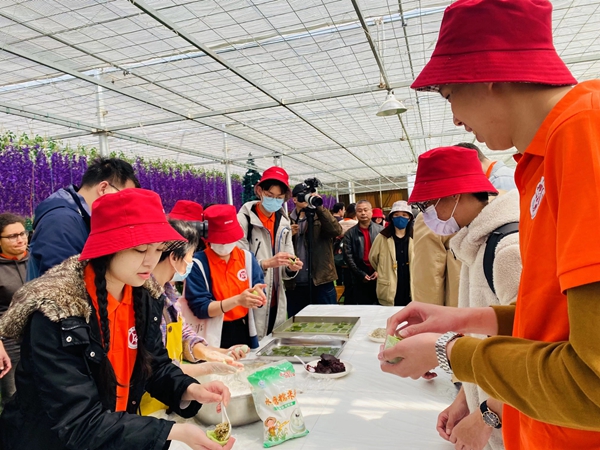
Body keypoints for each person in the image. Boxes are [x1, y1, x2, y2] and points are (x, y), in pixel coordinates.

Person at [380, 0, 600, 449]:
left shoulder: (584, 136)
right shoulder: (540, 162)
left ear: (487, 75)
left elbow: (592, 383)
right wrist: (467, 318)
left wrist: (449, 352)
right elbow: (556, 321)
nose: (456, 118)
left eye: (449, 95)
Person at [0, 189, 233, 450]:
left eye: (158, 249)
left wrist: (189, 389)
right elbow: (78, 421)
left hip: (112, 436)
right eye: (140, 249)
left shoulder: (143, 296)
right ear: (107, 247)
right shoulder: (58, 314)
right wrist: (173, 431)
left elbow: (154, 365)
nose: (151, 261)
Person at [410, 146, 521, 450]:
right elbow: (482, 338)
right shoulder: (473, 245)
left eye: (428, 205)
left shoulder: (507, 250)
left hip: (515, 429)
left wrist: (487, 416)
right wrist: (465, 398)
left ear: (455, 195)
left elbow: (531, 350)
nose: (426, 215)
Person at [140, 218, 247, 416]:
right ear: (174, 257)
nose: (191, 263)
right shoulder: (144, 300)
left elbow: (183, 334)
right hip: (147, 404)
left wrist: (211, 353)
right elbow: (156, 368)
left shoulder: (168, 292)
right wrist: (208, 368)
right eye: (190, 257)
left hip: (170, 399)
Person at [27, 157, 140, 280]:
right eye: (126, 199)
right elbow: (62, 284)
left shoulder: (80, 217)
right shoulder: (62, 221)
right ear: (103, 188)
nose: (125, 208)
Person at [184, 205, 268, 349]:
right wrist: (238, 300)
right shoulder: (197, 264)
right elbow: (201, 308)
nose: (223, 244)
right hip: (212, 331)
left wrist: (257, 297)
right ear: (207, 238)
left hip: (243, 328)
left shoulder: (247, 258)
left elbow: (259, 291)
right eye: (219, 240)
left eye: (228, 239)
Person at [237, 167, 303, 336]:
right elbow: (237, 262)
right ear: (260, 191)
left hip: (276, 297)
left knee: (274, 341)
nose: (274, 200)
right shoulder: (244, 220)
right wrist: (265, 264)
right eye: (270, 195)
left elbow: (286, 266)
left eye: (279, 198)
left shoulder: (284, 223)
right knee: (253, 342)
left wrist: (291, 267)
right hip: (252, 297)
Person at [285, 183, 343, 317]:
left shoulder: (320, 217)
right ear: (295, 199)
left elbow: (336, 231)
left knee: (328, 320)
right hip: (296, 282)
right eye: (304, 195)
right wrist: (288, 234)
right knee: (298, 322)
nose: (307, 198)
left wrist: (320, 208)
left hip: (321, 280)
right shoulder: (286, 219)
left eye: (309, 194)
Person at [0, 213, 28, 404]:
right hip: (8, 340)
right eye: (12, 236)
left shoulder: (38, 259)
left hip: (41, 334)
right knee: (13, 395)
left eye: (22, 233)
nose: (20, 240)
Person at [368, 201, 414, 307]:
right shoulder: (382, 237)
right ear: (392, 217)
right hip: (389, 285)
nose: (400, 218)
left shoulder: (414, 236)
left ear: (409, 218)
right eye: (396, 215)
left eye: (404, 215)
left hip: (409, 284)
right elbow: (373, 258)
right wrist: (383, 269)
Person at [342, 200, 383, 305]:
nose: (363, 213)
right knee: (363, 306)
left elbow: (385, 254)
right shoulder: (350, 234)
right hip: (359, 276)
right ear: (356, 213)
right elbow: (348, 257)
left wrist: (379, 270)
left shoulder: (381, 231)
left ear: (371, 212)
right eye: (359, 211)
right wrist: (360, 274)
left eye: (365, 210)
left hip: (378, 274)